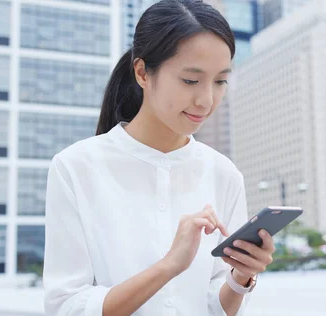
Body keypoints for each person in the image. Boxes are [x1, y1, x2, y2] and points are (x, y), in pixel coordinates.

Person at [42, 1, 276, 315]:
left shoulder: (224, 174)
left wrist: (242, 277)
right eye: (190, 81)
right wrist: (167, 267)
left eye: (220, 81)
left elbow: (215, 308)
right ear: (142, 72)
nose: (206, 100)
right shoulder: (75, 167)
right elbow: (66, 307)